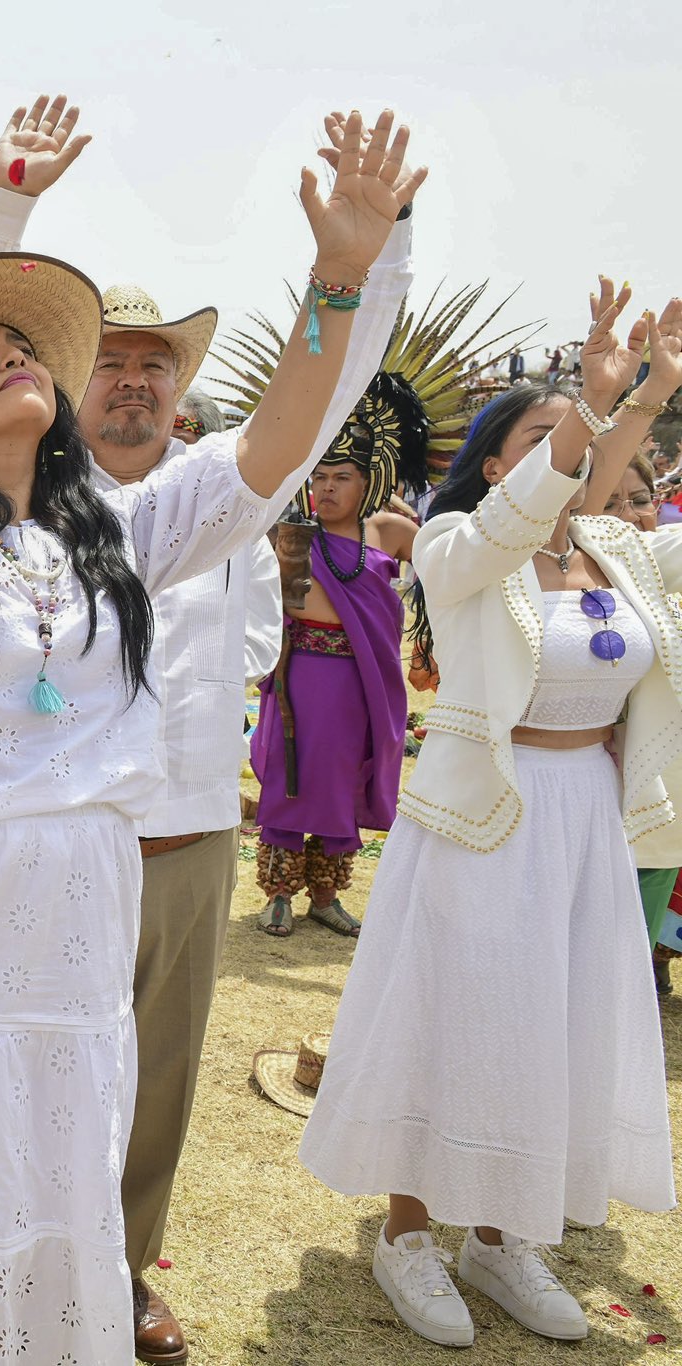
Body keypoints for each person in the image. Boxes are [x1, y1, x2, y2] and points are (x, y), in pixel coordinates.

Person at [0, 78, 420, 1365]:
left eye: (25, 346)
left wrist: (338, 282)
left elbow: (275, 445)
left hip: (73, 933)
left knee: (43, 1184)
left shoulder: (125, 528)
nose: (15, 355)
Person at [0, 94, 409, 1362]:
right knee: (27, 1069)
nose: (136, 380)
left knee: (155, 1079)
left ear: (180, 388)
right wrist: (2, 208)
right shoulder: (5, 499)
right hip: (48, 841)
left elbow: (312, 407)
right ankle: (12, 1265)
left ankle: (117, 1268)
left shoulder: (213, 502)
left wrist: (361, 268)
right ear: (65, 380)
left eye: (158, 364)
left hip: (188, 837)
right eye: (112, 359)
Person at [299, 287, 682, 1348]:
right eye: (547, 433)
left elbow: (595, 494)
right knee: (458, 1017)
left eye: (582, 434)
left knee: (554, 1024)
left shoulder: (618, 552)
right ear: (495, 462)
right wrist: (596, 409)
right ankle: (407, 1235)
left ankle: (504, 1238)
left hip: (586, 821)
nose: (576, 444)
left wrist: (651, 393)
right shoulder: (455, 544)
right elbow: (527, 510)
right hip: (481, 824)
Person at [250, 376, 419, 936]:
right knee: (289, 775)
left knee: (343, 780)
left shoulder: (390, 531)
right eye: (319, 476)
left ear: (369, 481)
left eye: (341, 477)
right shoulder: (290, 534)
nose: (326, 488)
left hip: (362, 681)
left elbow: (454, 570)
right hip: (299, 674)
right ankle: (278, 895)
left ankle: (325, 896)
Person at [604, 451, 680, 994]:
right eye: (610, 503)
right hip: (584, 788)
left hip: (664, 806)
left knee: (628, 975)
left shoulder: (666, 571)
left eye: (640, 500)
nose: (629, 517)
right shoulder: (559, 584)